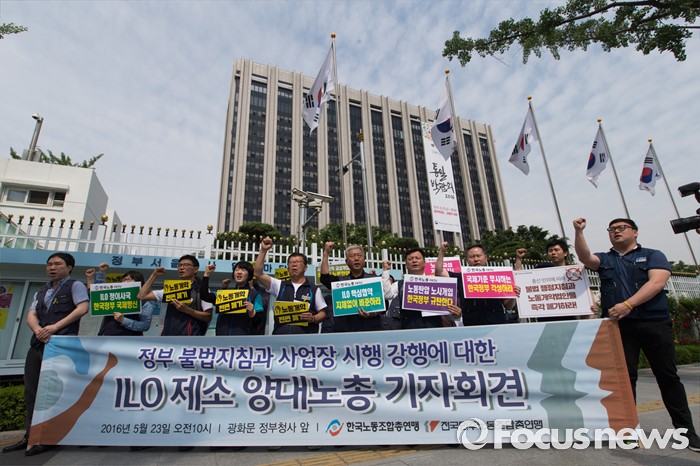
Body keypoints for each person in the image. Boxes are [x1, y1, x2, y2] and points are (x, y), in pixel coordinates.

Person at [574, 217, 700, 452]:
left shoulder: (653, 255)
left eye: (621, 228)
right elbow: (585, 257)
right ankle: (628, 431)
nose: (616, 232)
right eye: (612, 229)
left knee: (668, 377)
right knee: (624, 380)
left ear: (635, 232)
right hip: (620, 327)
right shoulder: (606, 259)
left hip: (654, 323)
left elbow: (657, 283)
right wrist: (579, 232)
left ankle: (686, 432)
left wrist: (628, 304)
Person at [2, 253, 89, 457]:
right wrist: (38, 330)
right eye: (49, 264)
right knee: (32, 391)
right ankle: (30, 436)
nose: (52, 267)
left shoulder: (75, 286)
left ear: (69, 267)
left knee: (57, 392)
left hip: (62, 346)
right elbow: (31, 314)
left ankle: (50, 437)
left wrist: (54, 327)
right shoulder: (41, 291)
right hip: (39, 344)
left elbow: (82, 308)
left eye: (58, 264)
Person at [254, 236, 327, 334]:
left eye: (298, 262)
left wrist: (313, 318)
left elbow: (323, 313)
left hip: (305, 340)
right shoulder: (280, 285)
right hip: (281, 339)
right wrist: (263, 250)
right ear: (288, 268)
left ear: (305, 267)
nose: (294, 264)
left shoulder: (314, 289)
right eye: (291, 262)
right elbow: (258, 274)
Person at [436, 243, 517, 327]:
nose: (476, 259)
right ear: (467, 260)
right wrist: (442, 252)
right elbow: (439, 272)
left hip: (497, 325)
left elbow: (509, 306)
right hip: (471, 326)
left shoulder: (498, 277)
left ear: (485, 258)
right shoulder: (461, 277)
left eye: (478, 256)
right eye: (472, 257)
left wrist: (512, 295)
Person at [385, 247, 461, 329]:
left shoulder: (436, 284)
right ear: (406, 265)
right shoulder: (400, 284)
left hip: (435, 330)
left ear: (424, 263)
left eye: (417, 258)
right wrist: (385, 271)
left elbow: (448, 314)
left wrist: (456, 314)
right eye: (410, 259)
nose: (414, 261)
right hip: (410, 330)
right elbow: (387, 294)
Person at [137, 254, 212, 336]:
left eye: (186, 265)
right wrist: (154, 275)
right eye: (179, 265)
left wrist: (187, 310)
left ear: (196, 269)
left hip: (190, 339)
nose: (181, 268)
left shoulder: (202, 291)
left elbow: (207, 316)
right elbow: (141, 296)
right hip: (168, 338)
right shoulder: (172, 289)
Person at [319, 242, 382, 332]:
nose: (356, 258)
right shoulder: (340, 282)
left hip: (369, 330)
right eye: (352, 256)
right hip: (345, 331)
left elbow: (384, 305)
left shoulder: (374, 280)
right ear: (346, 261)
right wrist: (326, 253)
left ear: (364, 259)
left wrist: (373, 313)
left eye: (359, 255)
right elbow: (324, 278)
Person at [86, 264, 155, 336]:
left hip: (129, 340)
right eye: (123, 280)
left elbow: (145, 326)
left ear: (139, 283)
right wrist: (101, 272)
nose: (124, 282)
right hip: (106, 338)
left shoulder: (145, 304)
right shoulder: (113, 298)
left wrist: (123, 320)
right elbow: (99, 293)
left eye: (128, 279)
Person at [200, 262, 264, 335]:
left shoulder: (254, 295)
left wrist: (252, 313)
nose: (239, 272)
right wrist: (206, 274)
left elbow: (260, 321)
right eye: (236, 270)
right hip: (222, 338)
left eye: (243, 270)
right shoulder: (225, 294)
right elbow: (204, 296)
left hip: (243, 339)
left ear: (249, 274)